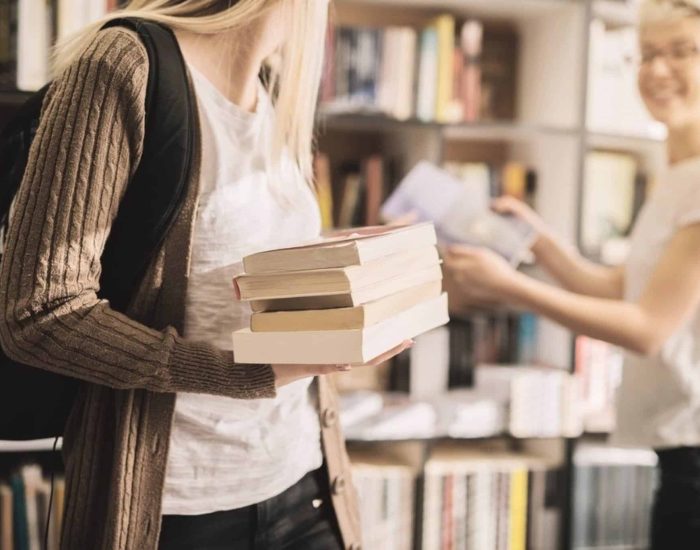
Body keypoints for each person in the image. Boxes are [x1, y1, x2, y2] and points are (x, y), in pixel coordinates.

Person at [0, 1, 410, 548]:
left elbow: (228, 264)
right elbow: (40, 312)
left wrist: (339, 266)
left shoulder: (273, 85)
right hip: (178, 509)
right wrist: (243, 373)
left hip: (304, 480)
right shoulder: (125, 62)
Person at [442, 1, 700, 547]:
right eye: (648, 53)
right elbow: (621, 287)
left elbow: (647, 327)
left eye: (683, 51)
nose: (656, 70)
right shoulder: (679, 172)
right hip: (679, 447)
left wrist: (509, 285)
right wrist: (540, 240)